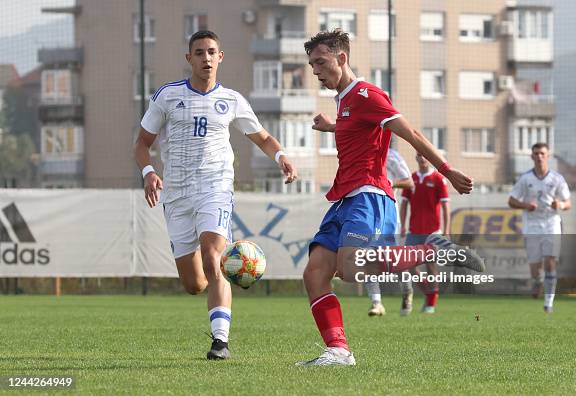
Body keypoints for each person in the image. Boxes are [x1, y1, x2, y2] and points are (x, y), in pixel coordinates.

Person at [298, 29, 485, 366]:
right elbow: (358, 130)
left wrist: (447, 170)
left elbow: (410, 132)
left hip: (369, 196)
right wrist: (331, 127)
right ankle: (339, 351)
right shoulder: (343, 101)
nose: (316, 71)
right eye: (312, 65)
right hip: (343, 200)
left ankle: (433, 249)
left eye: (321, 62)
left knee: (351, 269)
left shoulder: (368, 95)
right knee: (315, 273)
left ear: (342, 58)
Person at [133, 30, 297, 360]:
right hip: (177, 195)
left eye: (211, 52)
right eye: (199, 52)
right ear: (189, 58)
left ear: (220, 57)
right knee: (195, 283)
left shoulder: (233, 100)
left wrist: (281, 157)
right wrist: (149, 172)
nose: (206, 58)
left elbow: (263, 138)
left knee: (213, 257)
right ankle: (216, 282)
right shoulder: (167, 96)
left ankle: (220, 342)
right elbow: (141, 144)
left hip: (215, 188)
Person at [508, 142, 571, 313]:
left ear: (548, 156)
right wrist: (526, 205)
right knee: (535, 269)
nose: (539, 157)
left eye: (542, 153)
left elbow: (568, 203)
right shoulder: (525, 178)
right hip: (532, 225)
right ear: (531, 156)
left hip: (551, 224)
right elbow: (511, 201)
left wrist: (560, 204)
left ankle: (548, 303)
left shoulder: (557, 179)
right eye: (536, 154)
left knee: (550, 262)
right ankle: (537, 281)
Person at [399, 153, 450, 315]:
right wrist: (403, 226)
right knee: (408, 266)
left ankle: (431, 304)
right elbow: (404, 204)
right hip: (413, 231)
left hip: (432, 232)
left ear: (429, 158)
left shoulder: (438, 179)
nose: (422, 158)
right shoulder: (411, 179)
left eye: (425, 155)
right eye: (419, 155)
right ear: (416, 158)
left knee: (431, 266)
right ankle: (429, 291)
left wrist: (446, 230)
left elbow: (445, 207)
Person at [365, 148, 413, 316]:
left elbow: (409, 182)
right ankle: (376, 303)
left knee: (395, 262)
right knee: (367, 259)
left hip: (389, 217)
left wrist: (390, 183)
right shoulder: (360, 152)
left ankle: (407, 290)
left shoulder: (392, 155)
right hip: (366, 215)